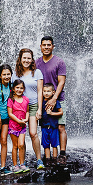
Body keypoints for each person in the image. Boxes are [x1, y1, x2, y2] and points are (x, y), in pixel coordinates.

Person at [36, 35, 68, 163]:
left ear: (53, 47)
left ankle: (63, 153)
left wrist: (54, 99)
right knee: (46, 127)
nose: (46, 47)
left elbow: (61, 82)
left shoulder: (59, 62)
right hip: (42, 101)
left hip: (58, 99)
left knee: (60, 127)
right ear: (41, 47)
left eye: (49, 45)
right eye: (44, 45)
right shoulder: (37, 62)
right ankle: (47, 154)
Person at [16, 48, 45, 171]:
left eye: (29, 58)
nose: (26, 60)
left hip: (33, 106)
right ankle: (23, 162)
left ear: (32, 60)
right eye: (24, 58)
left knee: (33, 133)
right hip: (20, 108)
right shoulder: (15, 75)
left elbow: (40, 91)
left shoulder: (37, 73)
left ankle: (39, 159)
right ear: (20, 59)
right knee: (20, 136)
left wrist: (39, 109)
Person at [6, 79, 30, 173]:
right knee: (15, 146)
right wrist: (18, 121)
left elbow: (27, 111)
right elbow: (10, 114)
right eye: (17, 88)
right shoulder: (11, 100)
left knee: (21, 145)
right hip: (13, 126)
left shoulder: (26, 99)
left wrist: (26, 119)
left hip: (22, 126)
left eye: (21, 88)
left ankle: (22, 164)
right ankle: (15, 165)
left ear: (24, 89)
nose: (19, 90)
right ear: (13, 89)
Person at [39, 82, 63, 164]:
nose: (46, 93)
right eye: (44, 91)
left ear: (53, 92)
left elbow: (61, 112)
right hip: (44, 127)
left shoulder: (55, 102)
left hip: (54, 127)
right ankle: (48, 160)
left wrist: (52, 113)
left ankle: (54, 159)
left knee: (54, 144)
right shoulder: (41, 102)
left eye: (48, 91)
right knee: (46, 145)